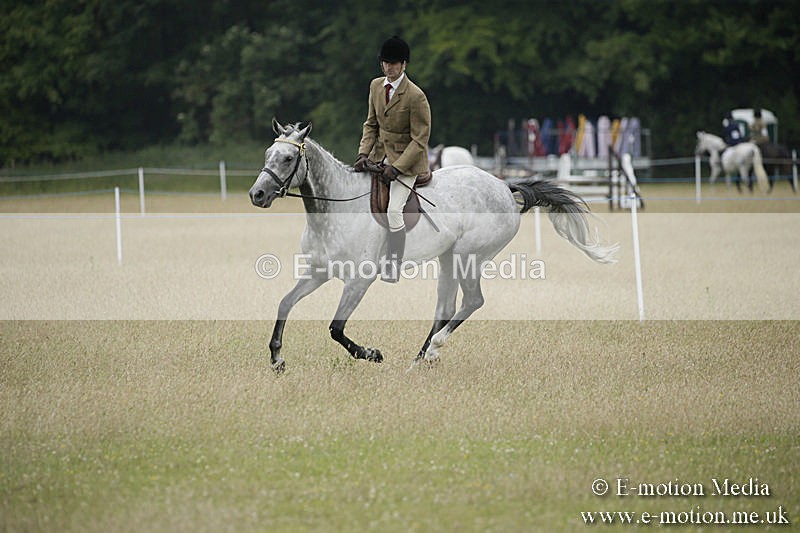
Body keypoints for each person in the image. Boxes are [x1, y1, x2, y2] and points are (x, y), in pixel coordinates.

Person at [354, 36, 431, 283]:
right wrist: (363, 153)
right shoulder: (375, 86)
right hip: (378, 156)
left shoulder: (416, 96)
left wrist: (397, 168)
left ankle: (393, 264)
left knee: (394, 211)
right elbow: (371, 124)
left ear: (404, 64)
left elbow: (420, 139)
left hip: (407, 163)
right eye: (386, 63)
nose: (389, 67)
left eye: (394, 63)